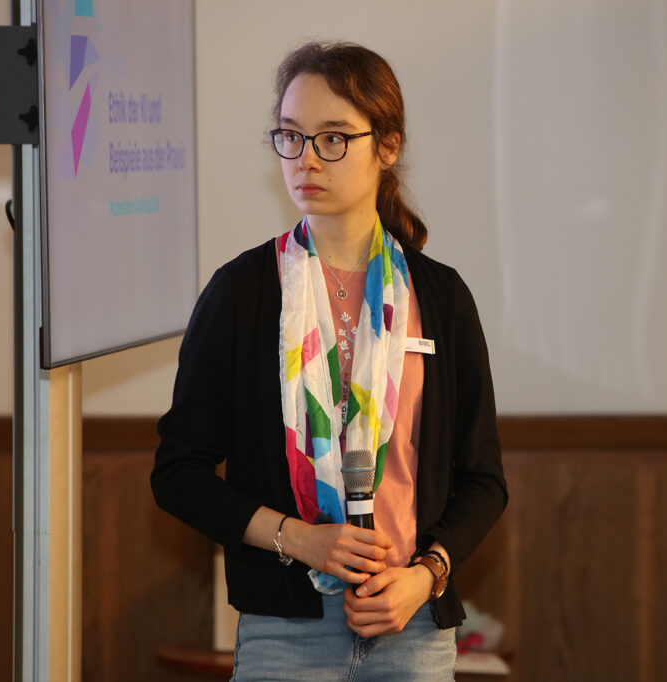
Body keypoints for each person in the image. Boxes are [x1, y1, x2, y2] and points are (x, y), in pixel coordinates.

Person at [151, 41, 507, 681]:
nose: (307, 159)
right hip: (284, 634)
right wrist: (299, 537)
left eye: (334, 138)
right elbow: (178, 473)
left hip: (413, 627)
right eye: (290, 137)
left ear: (388, 146)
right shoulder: (243, 293)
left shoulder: (441, 296)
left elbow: (483, 480)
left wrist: (426, 578)